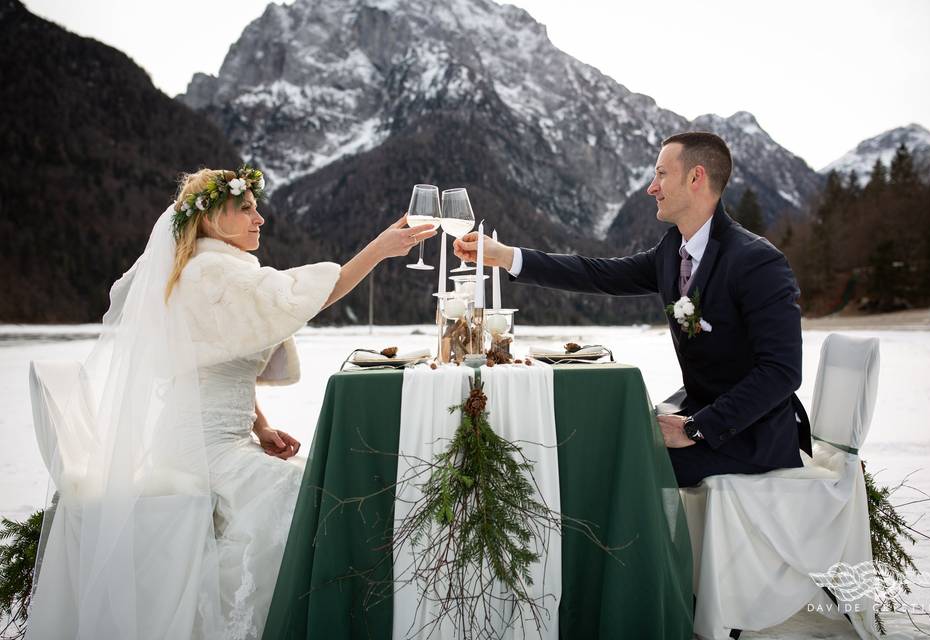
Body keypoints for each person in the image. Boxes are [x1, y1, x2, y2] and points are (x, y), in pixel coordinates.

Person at [26, 167, 435, 640]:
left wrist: (259, 426)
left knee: (306, 486)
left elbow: (209, 364)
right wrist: (380, 249)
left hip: (220, 443)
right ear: (213, 218)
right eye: (246, 208)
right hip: (201, 454)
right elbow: (312, 296)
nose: (260, 218)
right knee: (303, 498)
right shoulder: (211, 273)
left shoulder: (209, 268)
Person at [453, 132, 811, 487]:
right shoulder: (672, 250)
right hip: (697, 410)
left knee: (621, 463)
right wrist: (505, 256)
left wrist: (697, 428)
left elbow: (781, 371)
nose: (651, 188)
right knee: (603, 435)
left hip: (751, 435)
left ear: (695, 177)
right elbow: (598, 274)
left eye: (661, 174)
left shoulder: (756, 261)